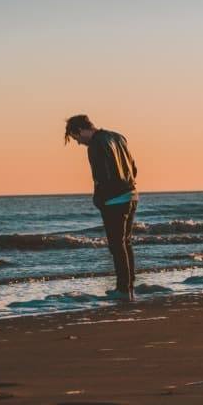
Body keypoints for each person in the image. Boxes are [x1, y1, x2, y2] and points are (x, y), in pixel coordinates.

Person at [64, 114, 139, 301]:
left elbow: (102, 176)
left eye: (76, 138)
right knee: (125, 244)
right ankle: (128, 287)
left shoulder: (96, 145)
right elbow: (133, 168)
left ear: (81, 130)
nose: (79, 143)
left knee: (117, 245)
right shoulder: (118, 137)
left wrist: (98, 199)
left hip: (114, 199)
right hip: (131, 195)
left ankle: (123, 290)